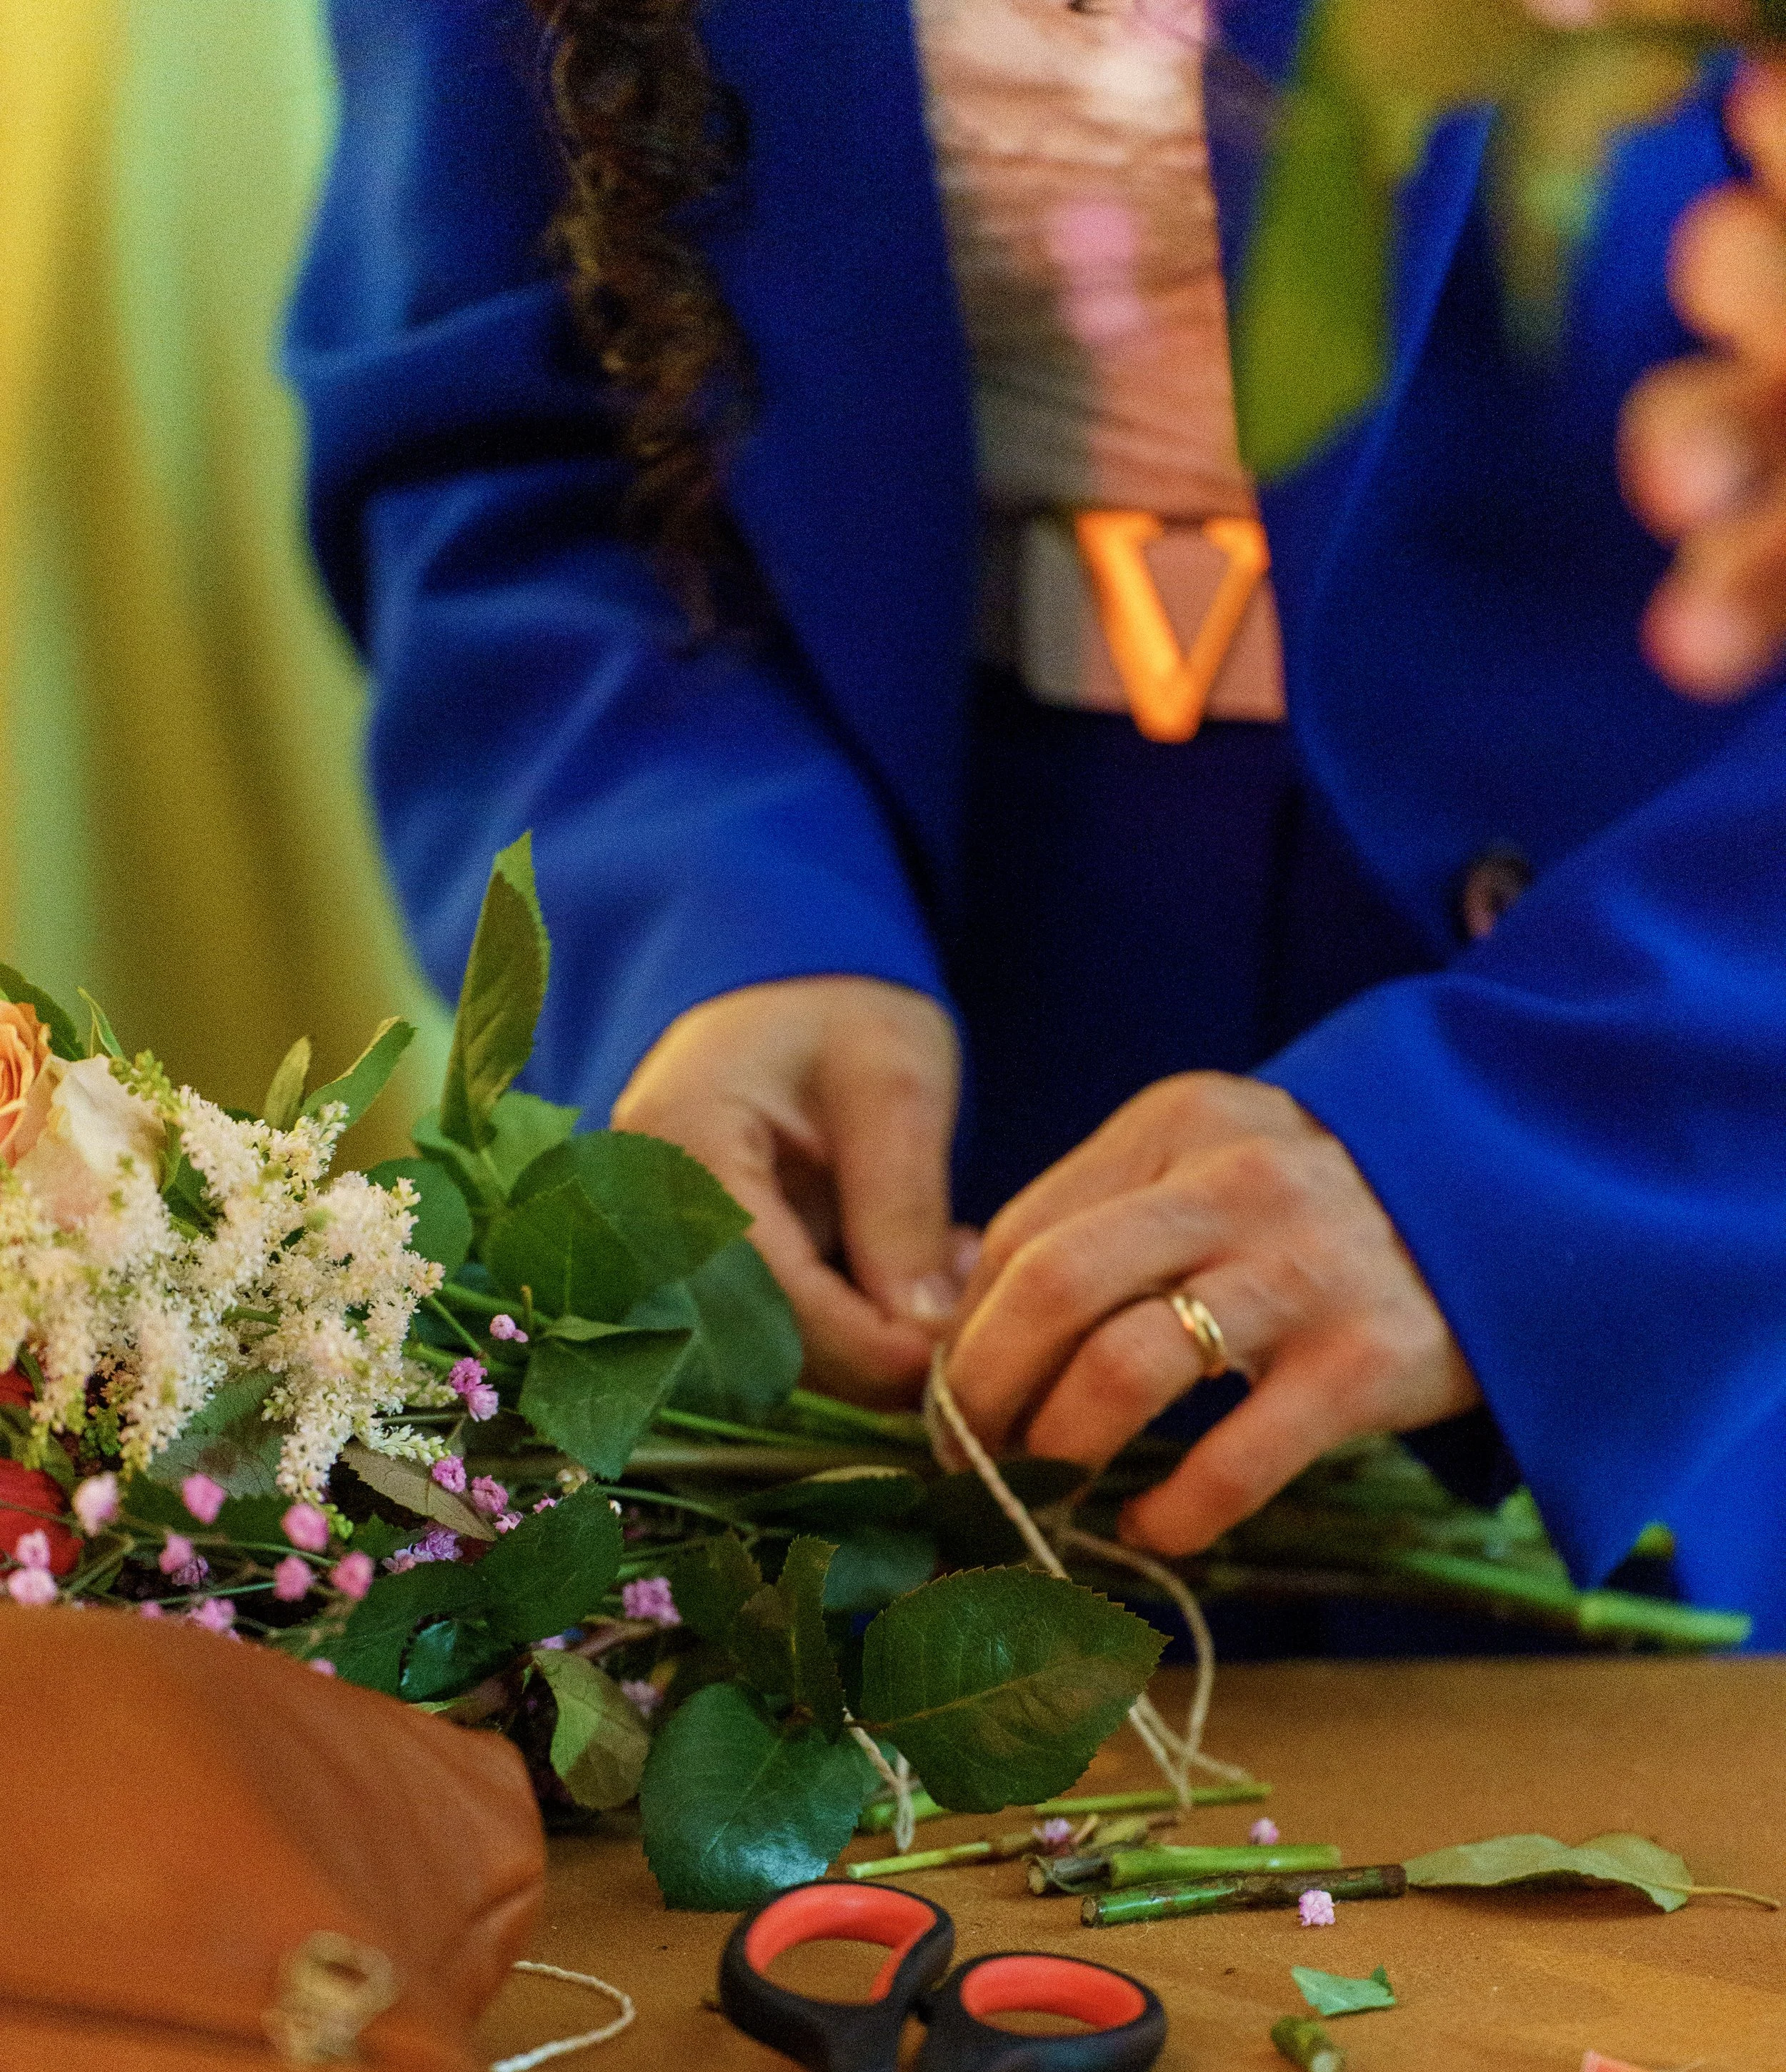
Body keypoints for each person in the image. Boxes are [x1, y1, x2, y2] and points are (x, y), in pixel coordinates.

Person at [290, 0, 1786, 1642]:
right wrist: (715, 930)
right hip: (904, 1049)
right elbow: (509, 431)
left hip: (1673, 1050)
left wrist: (1546, 1148)